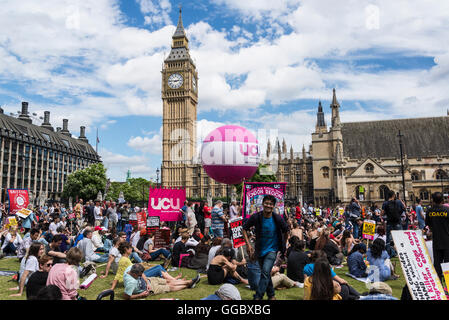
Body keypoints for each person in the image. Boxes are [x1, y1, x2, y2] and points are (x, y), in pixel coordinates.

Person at [242, 195, 289, 300]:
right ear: (263, 204)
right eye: (266, 203)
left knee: (265, 271)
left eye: (271, 204)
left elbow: (286, 230)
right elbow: (244, 228)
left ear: (273, 206)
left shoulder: (277, 218)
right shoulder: (257, 217)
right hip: (260, 250)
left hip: (272, 250)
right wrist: (248, 244)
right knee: (266, 274)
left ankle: (258, 297)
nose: (268, 206)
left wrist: (284, 243)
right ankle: (271, 296)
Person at [122, 263, 200, 300]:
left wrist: (147, 282)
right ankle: (189, 283)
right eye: (139, 275)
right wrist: (140, 295)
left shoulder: (130, 268)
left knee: (168, 281)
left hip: (150, 281)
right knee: (170, 287)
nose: (140, 276)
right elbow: (126, 296)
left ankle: (190, 282)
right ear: (134, 274)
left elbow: (142, 274)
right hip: (150, 289)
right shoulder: (131, 282)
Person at [425, 192, 449, 279]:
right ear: (442, 200)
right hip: (447, 240)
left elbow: (427, 224)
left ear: (433, 200)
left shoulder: (429, 211)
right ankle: (448, 285)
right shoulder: (447, 210)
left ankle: (439, 285)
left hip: (436, 241)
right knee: (447, 264)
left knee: (437, 265)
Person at [382, 189, 405, 256]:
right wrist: (400, 200)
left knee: (389, 239)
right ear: (394, 195)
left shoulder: (385, 203)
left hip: (389, 222)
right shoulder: (398, 202)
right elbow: (404, 208)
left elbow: (382, 213)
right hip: (398, 222)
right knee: (400, 237)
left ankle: (389, 253)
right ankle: (401, 253)